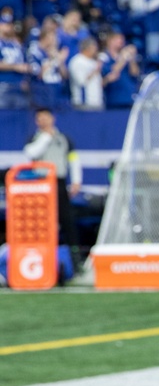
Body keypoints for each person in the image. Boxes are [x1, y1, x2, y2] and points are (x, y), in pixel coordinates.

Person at [23, 108, 82, 268]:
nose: (43, 121)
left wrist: (76, 180)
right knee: (41, 221)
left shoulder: (63, 138)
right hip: (40, 184)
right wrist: (45, 138)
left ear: (52, 118)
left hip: (59, 183)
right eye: (40, 118)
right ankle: (40, 259)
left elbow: (73, 158)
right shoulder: (35, 138)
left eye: (46, 117)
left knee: (67, 221)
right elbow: (31, 153)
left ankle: (75, 260)